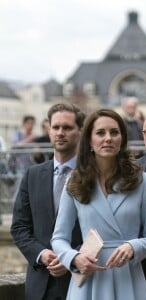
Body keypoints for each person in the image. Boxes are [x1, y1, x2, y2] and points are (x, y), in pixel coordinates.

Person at [51, 108, 146, 300]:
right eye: (100, 133)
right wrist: (74, 258)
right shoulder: (74, 182)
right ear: (89, 140)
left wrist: (133, 247)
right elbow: (59, 238)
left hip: (128, 280)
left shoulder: (143, 181)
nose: (108, 138)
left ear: (122, 139)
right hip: (88, 282)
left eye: (114, 132)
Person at [11, 103, 85, 300]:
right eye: (55, 127)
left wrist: (71, 257)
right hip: (40, 285)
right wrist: (42, 254)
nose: (60, 133)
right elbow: (19, 227)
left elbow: (104, 231)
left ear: (80, 131)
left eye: (67, 128)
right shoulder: (32, 175)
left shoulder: (94, 176)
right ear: (49, 130)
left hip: (82, 283)